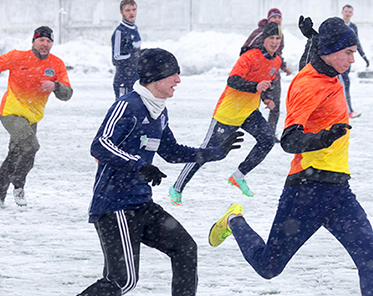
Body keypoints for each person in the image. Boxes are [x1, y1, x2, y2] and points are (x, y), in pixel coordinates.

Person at [208, 17, 373, 296]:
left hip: (339, 189)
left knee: (370, 255)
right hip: (306, 190)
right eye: (349, 52)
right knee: (268, 267)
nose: (353, 60)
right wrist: (323, 138)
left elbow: (317, 57)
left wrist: (313, 38)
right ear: (331, 52)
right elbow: (289, 140)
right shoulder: (307, 85)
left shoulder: (327, 69)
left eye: (354, 52)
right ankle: (234, 220)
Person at [77, 48, 243, 296]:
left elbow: (172, 151)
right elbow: (100, 144)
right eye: (174, 74)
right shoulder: (128, 106)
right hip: (114, 206)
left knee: (185, 248)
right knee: (122, 281)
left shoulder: (159, 111)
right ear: (156, 76)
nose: (178, 80)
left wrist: (215, 152)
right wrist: (139, 164)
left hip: (141, 204)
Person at [169, 22, 282, 204]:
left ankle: (239, 175)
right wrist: (255, 87)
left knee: (267, 140)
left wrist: (266, 98)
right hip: (228, 113)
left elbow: (263, 83)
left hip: (249, 112)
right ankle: (177, 187)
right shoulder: (249, 57)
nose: (275, 42)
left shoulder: (276, 62)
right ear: (264, 39)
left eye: (278, 38)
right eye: (271, 38)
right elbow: (232, 81)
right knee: (207, 153)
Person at [0, 26, 73, 207]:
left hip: (32, 117)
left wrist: (55, 86)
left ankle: (0, 192)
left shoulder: (56, 64)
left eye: (48, 41)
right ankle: (19, 184)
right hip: (11, 111)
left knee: (16, 153)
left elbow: (67, 94)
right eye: (41, 40)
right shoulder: (18, 57)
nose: (45, 44)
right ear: (33, 41)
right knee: (31, 145)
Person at [241, 8, 293, 142]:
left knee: (275, 106)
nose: (277, 20)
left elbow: (277, 54)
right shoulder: (260, 33)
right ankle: (246, 129)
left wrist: (283, 66)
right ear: (269, 19)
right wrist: (251, 66)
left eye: (279, 18)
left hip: (273, 76)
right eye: (274, 17)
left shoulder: (281, 34)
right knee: (252, 106)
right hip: (257, 76)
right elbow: (245, 49)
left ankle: (269, 134)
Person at [339, 4, 369, 119]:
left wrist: (364, 56)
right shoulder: (338, 25)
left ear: (352, 14)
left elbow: (357, 43)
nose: (347, 14)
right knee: (341, 85)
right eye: (346, 11)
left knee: (345, 85)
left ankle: (346, 110)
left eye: (350, 12)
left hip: (348, 61)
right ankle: (348, 111)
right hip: (338, 61)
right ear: (342, 12)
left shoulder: (353, 27)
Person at [111, 0, 141, 99]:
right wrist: (134, 57)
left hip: (135, 80)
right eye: (127, 10)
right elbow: (116, 58)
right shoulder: (120, 31)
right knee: (123, 112)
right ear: (121, 12)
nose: (131, 13)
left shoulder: (135, 29)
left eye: (133, 9)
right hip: (123, 81)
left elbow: (136, 52)